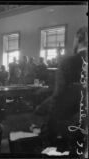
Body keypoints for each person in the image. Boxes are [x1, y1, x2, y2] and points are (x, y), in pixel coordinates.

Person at [38, 26, 88, 156]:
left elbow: (58, 97)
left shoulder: (68, 62)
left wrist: (49, 129)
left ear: (78, 38)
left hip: (72, 123)